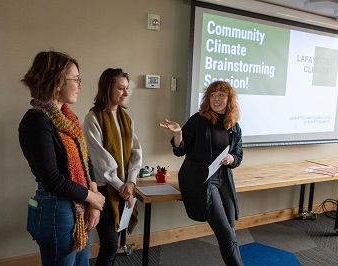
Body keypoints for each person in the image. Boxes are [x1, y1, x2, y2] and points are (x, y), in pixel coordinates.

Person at [19, 51, 105, 266]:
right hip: (57, 210)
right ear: (57, 83)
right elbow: (52, 178)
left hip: (77, 205)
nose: (80, 85)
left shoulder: (69, 118)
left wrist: (93, 200)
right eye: (76, 79)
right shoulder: (36, 121)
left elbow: (85, 162)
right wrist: (92, 198)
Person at [160, 81, 244, 266]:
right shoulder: (198, 120)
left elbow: (238, 155)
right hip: (201, 180)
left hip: (223, 180)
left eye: (221, 95)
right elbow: (180, 150)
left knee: (230, 232)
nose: (216, 99)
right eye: (212, 95)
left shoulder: (233, 125)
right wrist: (178, 134)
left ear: (229, 99)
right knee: (226, 235)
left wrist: (231, 159)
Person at [83, 68, 142, 265]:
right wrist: (121, 185)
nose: (126, 93)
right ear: (107, 88)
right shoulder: (93, 118)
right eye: (120, 88)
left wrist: (131, 182)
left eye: (127, 88)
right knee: (109, 244)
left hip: (124, 187)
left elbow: (136, 152)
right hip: (103, 189)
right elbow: (100, 160)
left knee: (113, 242)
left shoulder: (126, 118)